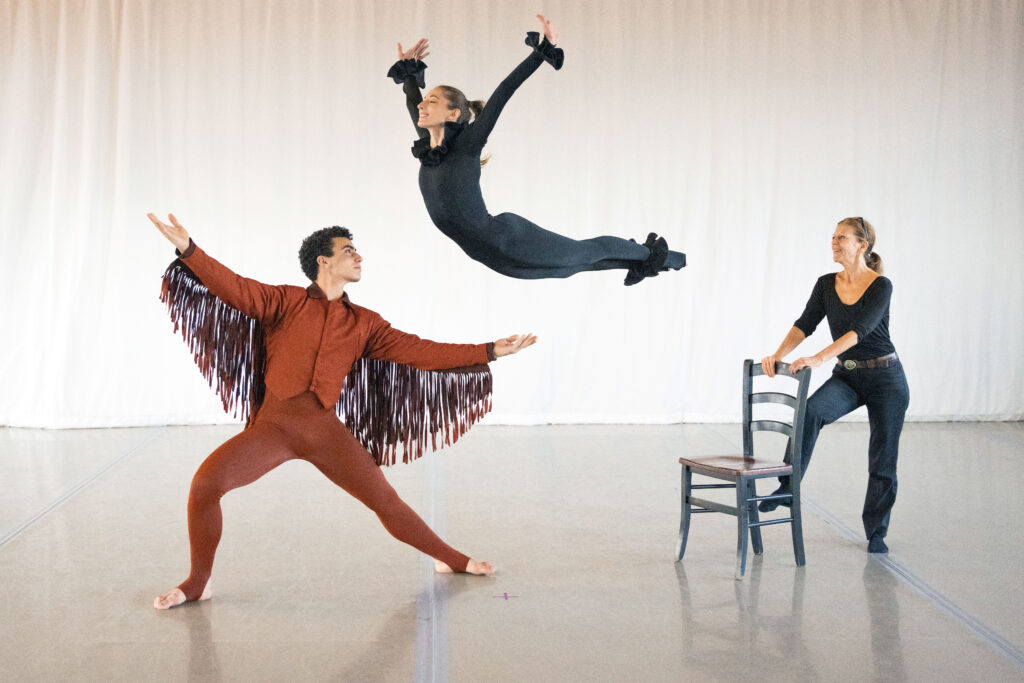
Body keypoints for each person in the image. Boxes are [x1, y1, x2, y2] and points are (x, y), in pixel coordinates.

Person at [147, 213, 537, 608]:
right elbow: (234, 287)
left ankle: (450, 560)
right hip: (273, 430)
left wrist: (489, 351)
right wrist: (189, 250)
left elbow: (420, 350)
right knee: (205, 486)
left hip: (324, 432)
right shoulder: (283, 301)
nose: (359, 257)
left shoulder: (364, 324)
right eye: (348, 250)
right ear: (324, 261)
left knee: (386, 502)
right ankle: (199, 582)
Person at [388, 15, 687, 285]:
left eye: (432, 101)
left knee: (585, 252)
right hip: (490, 257)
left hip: (509, 241)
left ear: (454, 114)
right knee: (576, 266)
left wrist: (542, 51)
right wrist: (410, 72)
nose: (422, 106)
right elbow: (410, 98)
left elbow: (505, 90)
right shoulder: (430, 150)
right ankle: (652, 261)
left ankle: (667, 257)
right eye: (425, 101)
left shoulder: (466, 146)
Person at [758, 217, 909, 554]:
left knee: (882, 459)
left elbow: (861, 330)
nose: (834, 242)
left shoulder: (881, 286)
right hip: (849, 377)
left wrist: (817, 359)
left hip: (886, 380)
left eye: (842, 237)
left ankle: (876, 533)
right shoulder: (826, 284)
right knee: (810, 412)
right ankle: (786, 488)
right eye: (833, 237)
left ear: (862, 245)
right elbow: (805, 324)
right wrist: (778, 355)